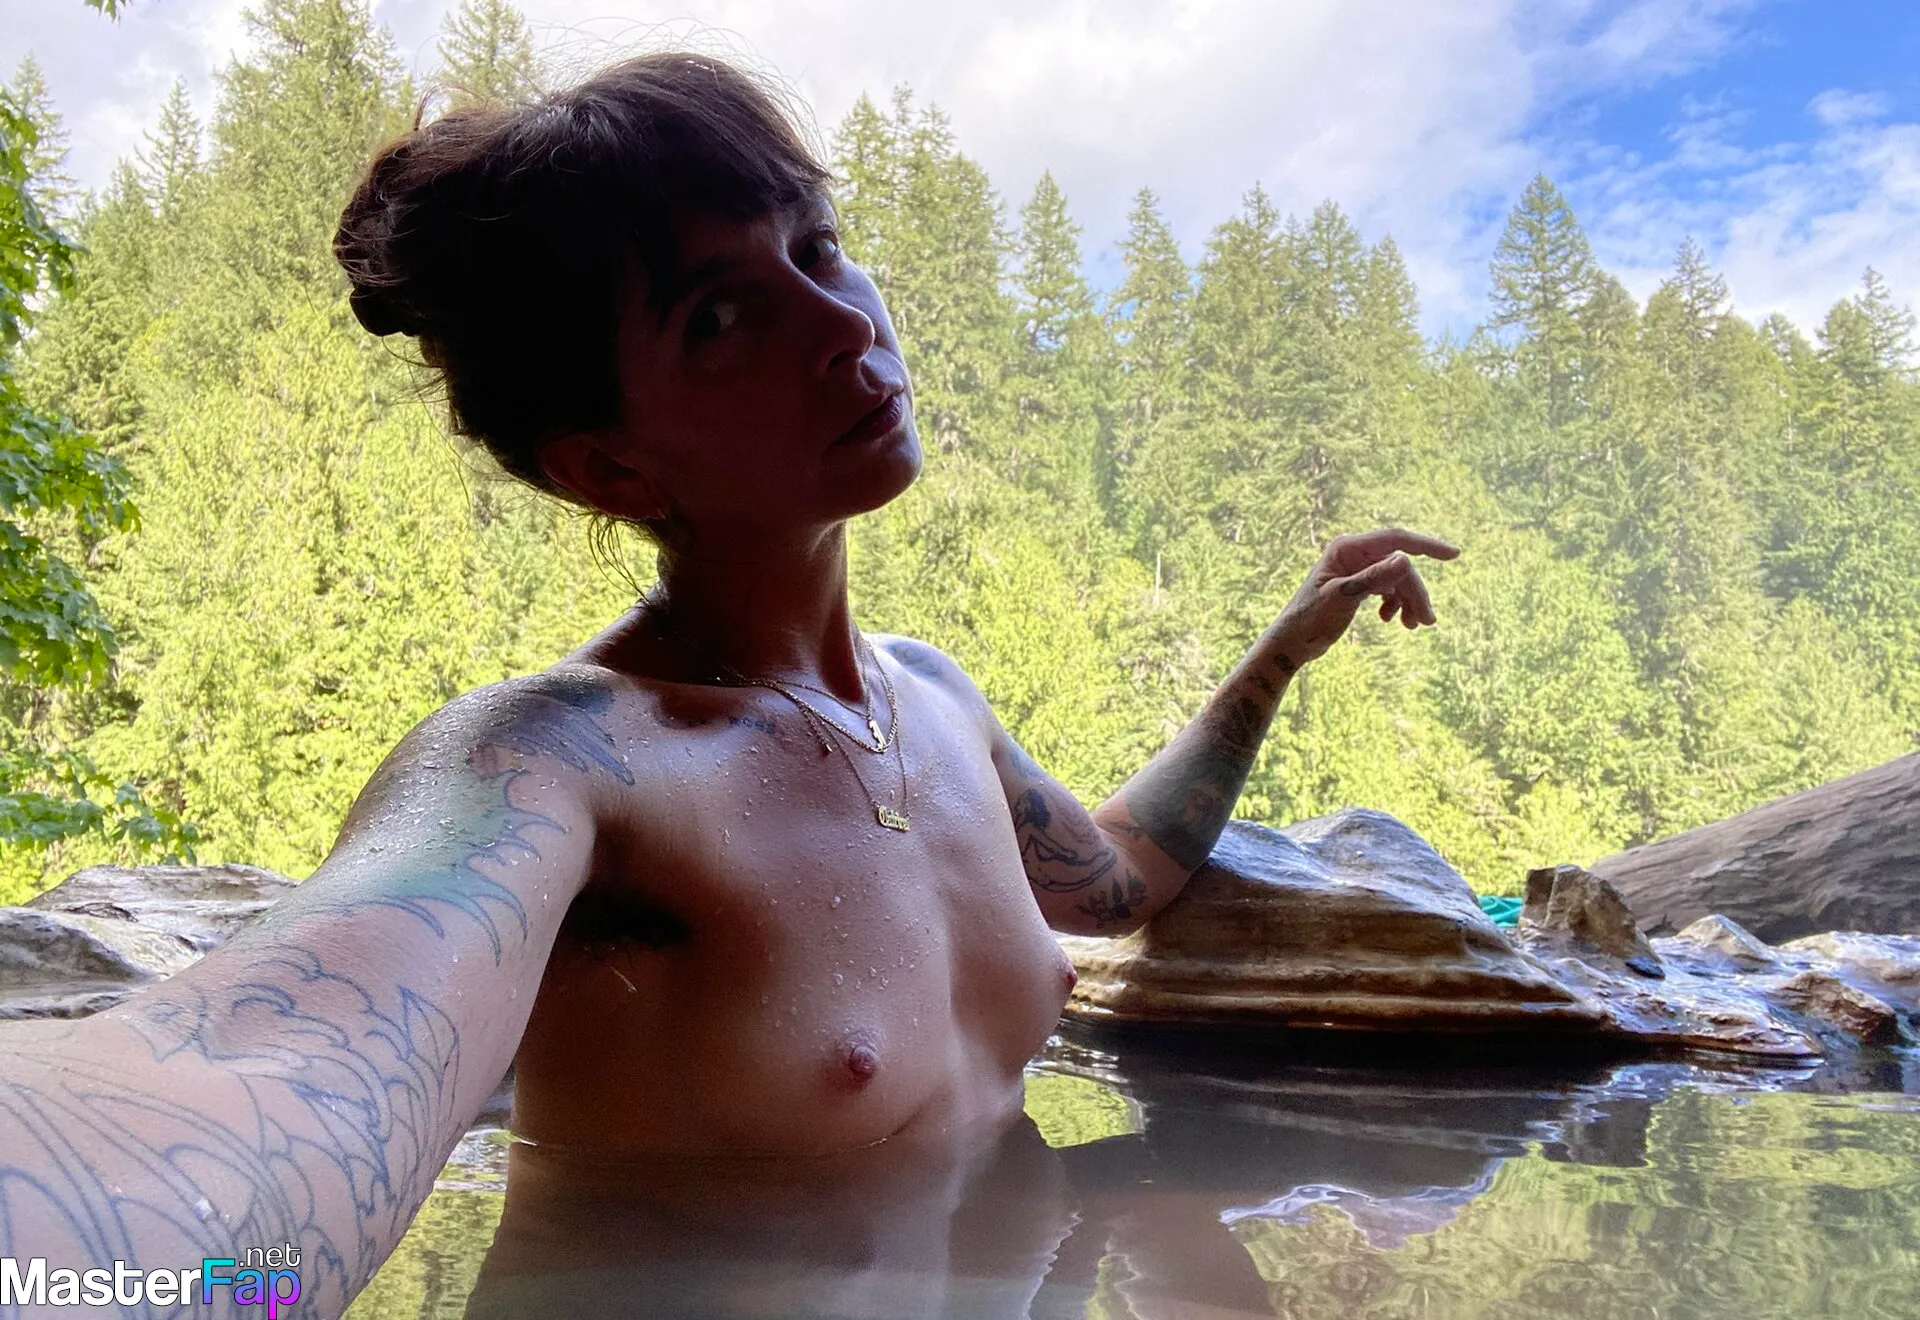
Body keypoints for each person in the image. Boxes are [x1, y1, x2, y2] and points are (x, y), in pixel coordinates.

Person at [0, 51, 1455, 1318]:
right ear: (606, 465)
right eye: (719, 317)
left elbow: (1119, 879)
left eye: (819, 248)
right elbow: (277, 1068)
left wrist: (1280, 652)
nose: (843, 325)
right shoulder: (563, 763)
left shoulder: (931, 703)